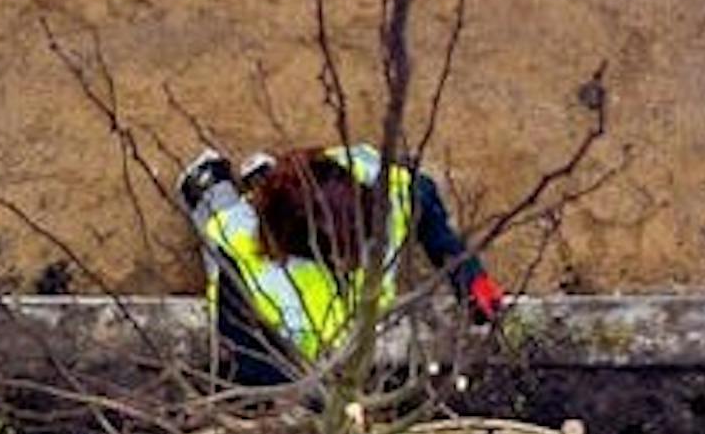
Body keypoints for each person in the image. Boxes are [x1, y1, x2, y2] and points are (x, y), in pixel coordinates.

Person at [180, 143, 507, 384]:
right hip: (293, 336)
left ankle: (265, 179)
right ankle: (211, 185)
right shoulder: (241, 256)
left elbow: (424, 201)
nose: (347, 258)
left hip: (342, 323)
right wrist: (310, 398)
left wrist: (468, 274)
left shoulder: (384, 196)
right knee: (215, 215)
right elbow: (249, 356)